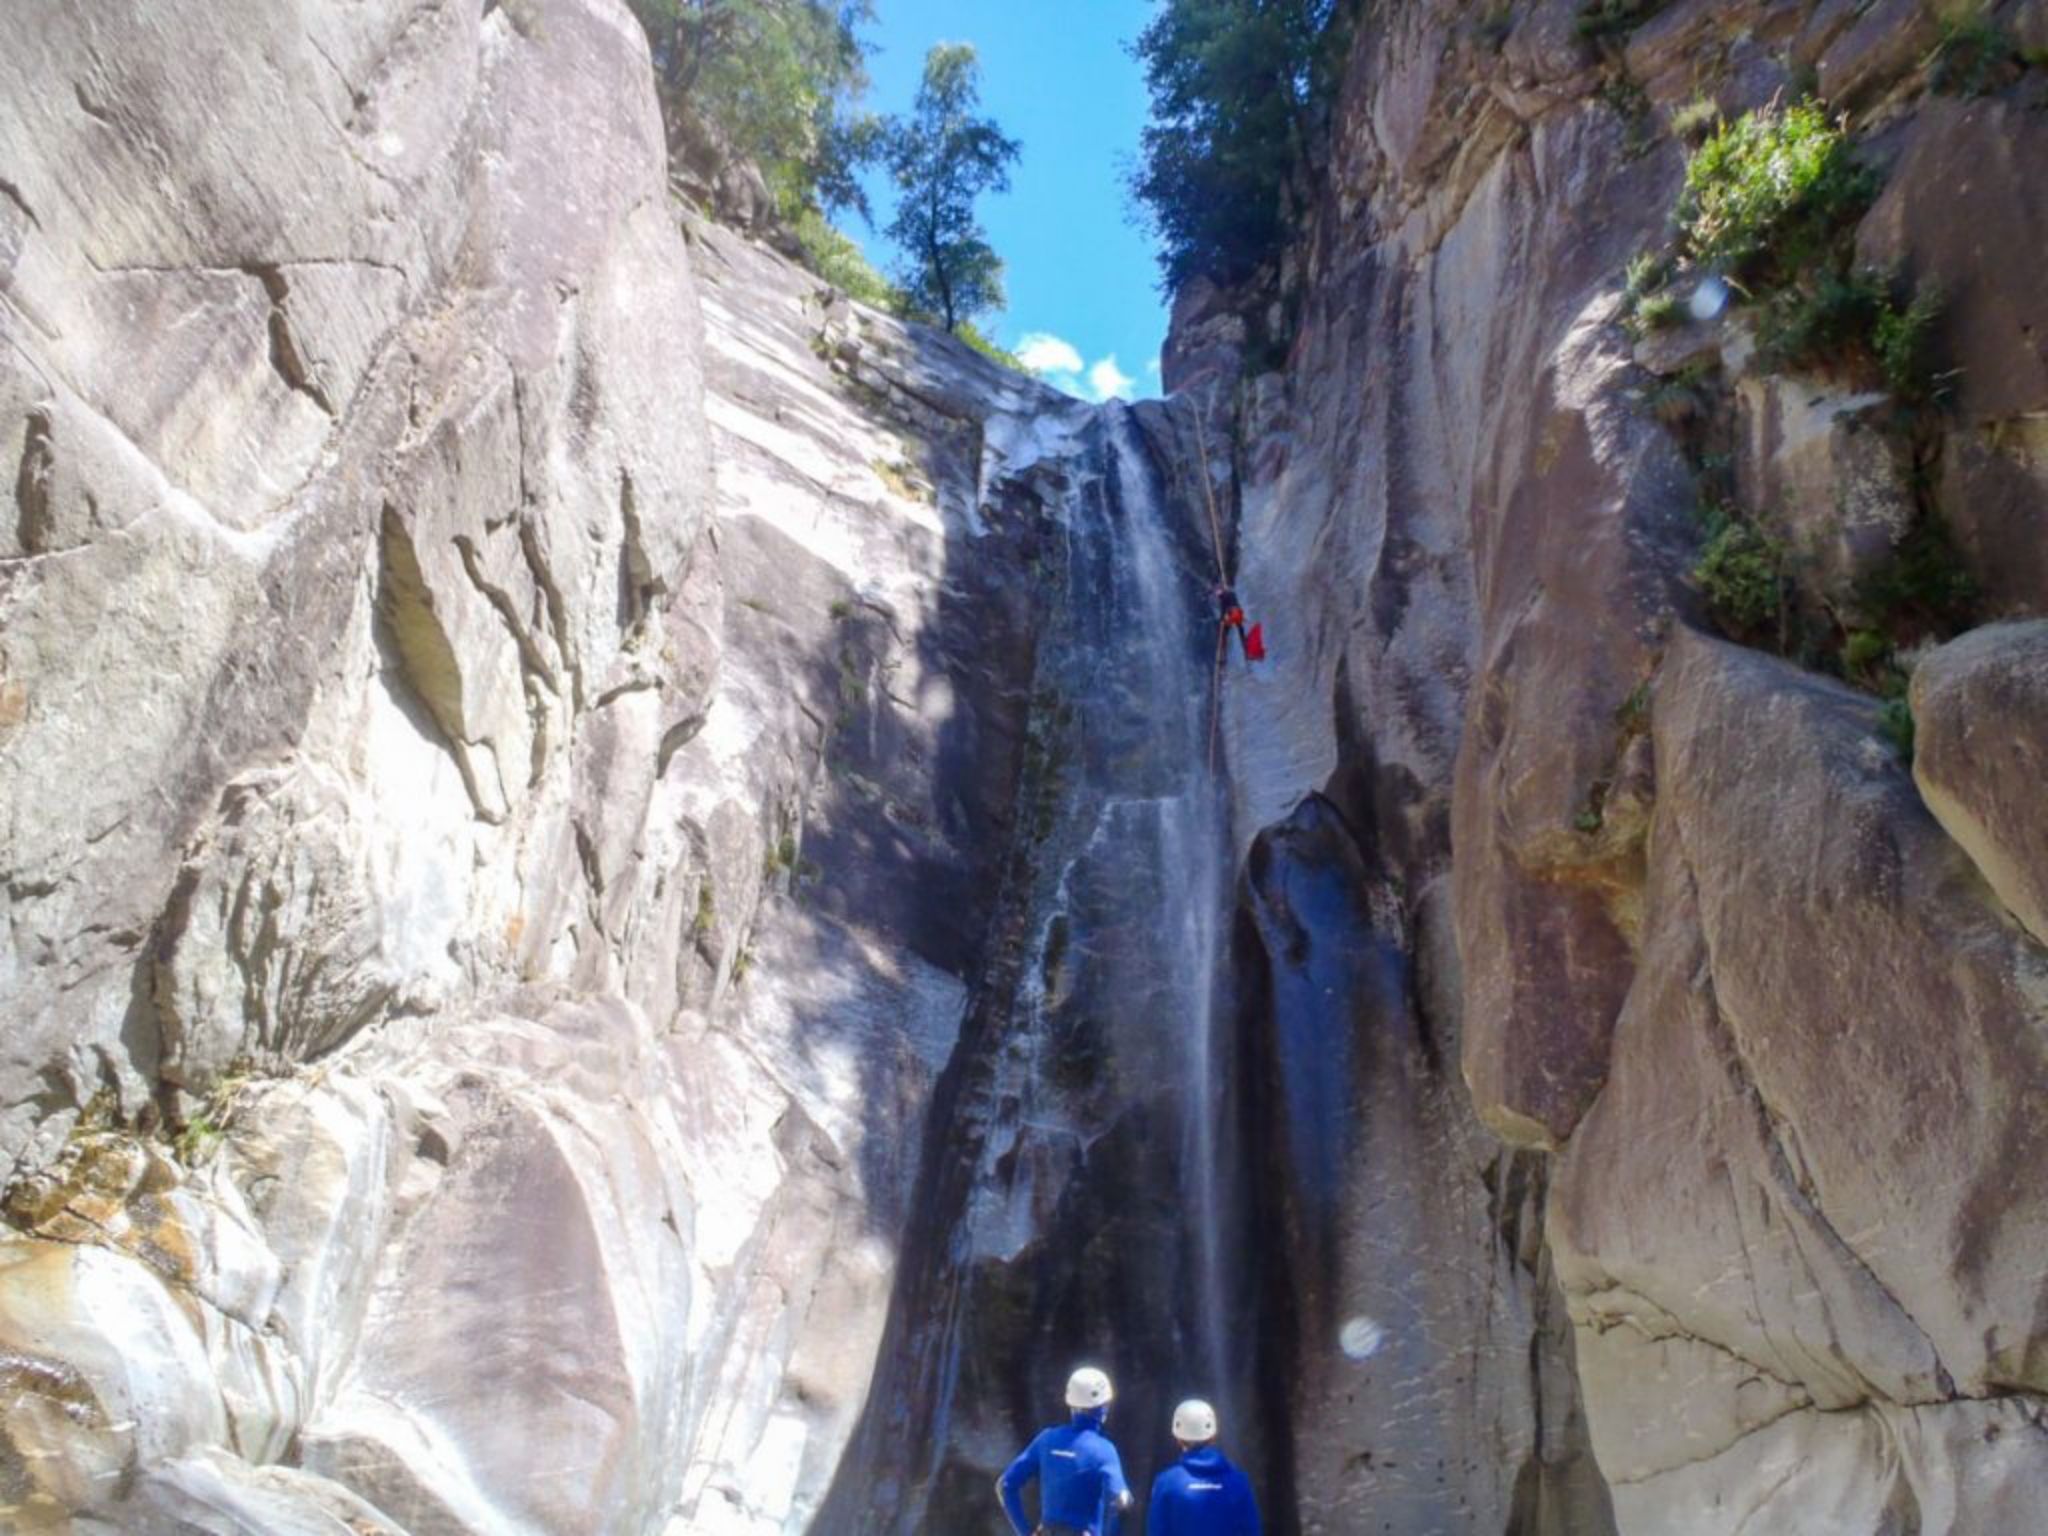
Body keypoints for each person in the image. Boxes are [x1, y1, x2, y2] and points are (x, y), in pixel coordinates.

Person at [997, 1365, 1133, 1536]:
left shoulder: (1046, 1439)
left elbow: (1006, 1485)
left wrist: (1025, 1532)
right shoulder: (1104, 1450)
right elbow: (1123, 1502)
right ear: (1103, 1407)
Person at [1146, 1399, 1261, 1536]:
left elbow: (1156, 1531)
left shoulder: (1166, 1482)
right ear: (1213, 1435)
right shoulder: (1239, 1481)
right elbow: (1252, 1531)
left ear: (1177, 1437)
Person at [1211, 582, 1263, 664]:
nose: (1216, 594)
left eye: (1217, 592)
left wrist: (1222, 619)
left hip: (1231, 614)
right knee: (1241, 634)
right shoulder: (1232, 593)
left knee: (1223, 635)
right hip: (1238, 614)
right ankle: (1247, 654)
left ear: (1221, 590)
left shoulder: (1223, 596)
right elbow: (1237, 604)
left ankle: (1223, 656)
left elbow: (1223, 609)